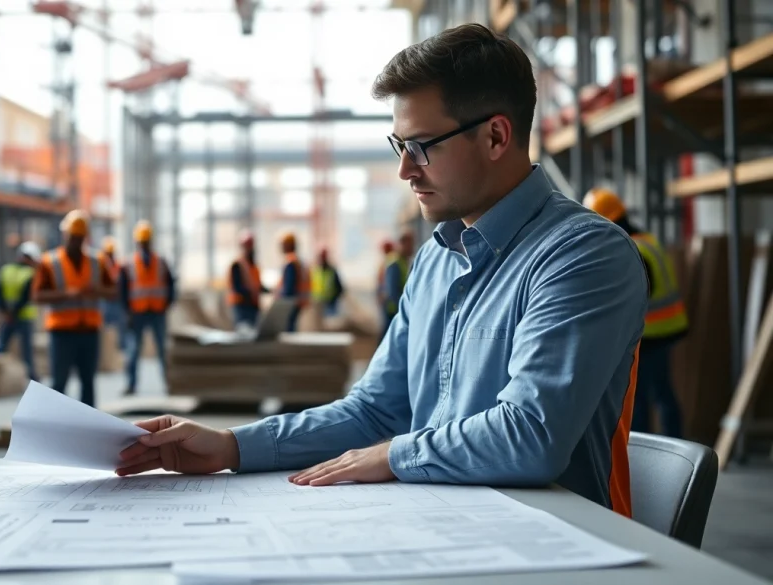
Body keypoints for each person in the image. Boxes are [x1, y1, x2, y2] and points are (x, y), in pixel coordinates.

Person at [114, 23, 649, 520]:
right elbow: (374, 413)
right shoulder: (439, 258)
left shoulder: (582, 256)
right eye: (399, 146)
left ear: (495, 137)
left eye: (420, 147)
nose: (404, 170)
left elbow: (530, 436)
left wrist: (394, 455)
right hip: (440, 524)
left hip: (554, 546)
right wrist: (232, 446)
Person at [583, 187, 689, 438]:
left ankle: (645, 453)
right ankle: (674, 445)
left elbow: (636, 296)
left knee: (637, 398)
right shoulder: (646, 239)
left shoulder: (632, 250)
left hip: (650, 333)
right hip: (667, 327)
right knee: (662, 392)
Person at [33, 210, 116, 406]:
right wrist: (66, 294)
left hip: (89, 331)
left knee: (88, 383)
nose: (76, 241)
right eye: (73, 236)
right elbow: (37, 296)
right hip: (62, 332)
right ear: (65, 235)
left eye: (80, 237)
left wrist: (98, 290)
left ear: (85, 237)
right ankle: (56, 426)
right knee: (59, 382)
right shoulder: (49, 262)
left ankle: (87, 428)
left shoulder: (98, 261)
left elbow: (113, 291)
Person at [120, 220, 175, 396]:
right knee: (133, 349)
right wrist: (127, 312)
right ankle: (131, 384)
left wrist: (166, 305)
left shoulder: (161, 262)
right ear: (137, 242)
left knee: (162, 349)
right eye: (142, 242)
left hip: (157, 311)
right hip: (137, 312)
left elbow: (170, 286)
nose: (144, 245)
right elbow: (122, 290)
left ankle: (169, 383)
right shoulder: (128, 264)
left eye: (146, 241)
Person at [0, 241, 41, 382]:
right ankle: (32, 377)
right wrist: (13, 313)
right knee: (26, 351)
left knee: (1, 346)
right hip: (23, 317)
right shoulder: (31, 273)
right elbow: (25, 297)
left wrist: (5, 312)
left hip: (8, 317)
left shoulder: (5, 270)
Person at [227, 230, 267, 328]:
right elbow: (237, 287)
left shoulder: (254, 266)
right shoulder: (237, 265)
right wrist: (251, 292)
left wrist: (267, 290)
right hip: (241, 306)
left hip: (253, 306)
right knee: (244, 333)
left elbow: (257, 284)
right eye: (247, 245)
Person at [380, 231, 416, 339]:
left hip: (398, 309)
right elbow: (392, 291)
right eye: (410, 245)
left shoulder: (405, 261)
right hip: (393, 310)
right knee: (389, 340)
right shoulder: (395, 263)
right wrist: (404, 310)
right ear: (402, 244)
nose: (412, 248)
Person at [277, 231, 310, 332]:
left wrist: (280, 299)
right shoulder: (298, 261)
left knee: (288, 329)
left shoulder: (290, 262)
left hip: (290, 302)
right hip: (298, 301)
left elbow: (289, 287)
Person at [311, 246, 344, 318]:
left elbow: (340, 288)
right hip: (318, 303)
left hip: (330, 303)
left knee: (331, 323)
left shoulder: (332, 271)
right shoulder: (316, 271)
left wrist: (334, 298)